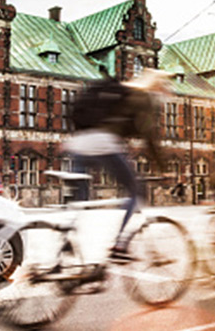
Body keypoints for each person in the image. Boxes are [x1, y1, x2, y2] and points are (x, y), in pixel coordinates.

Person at [64, 69, 168, 259]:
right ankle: (120, 245)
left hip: (77, 141)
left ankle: (64, 244)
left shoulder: (117, 90)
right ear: (157, 85)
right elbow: (150, 138)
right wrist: (163, 167)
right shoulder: (143, 97)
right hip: (103, 143)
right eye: (165, 87)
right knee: (136, 191)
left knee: (78, 200)